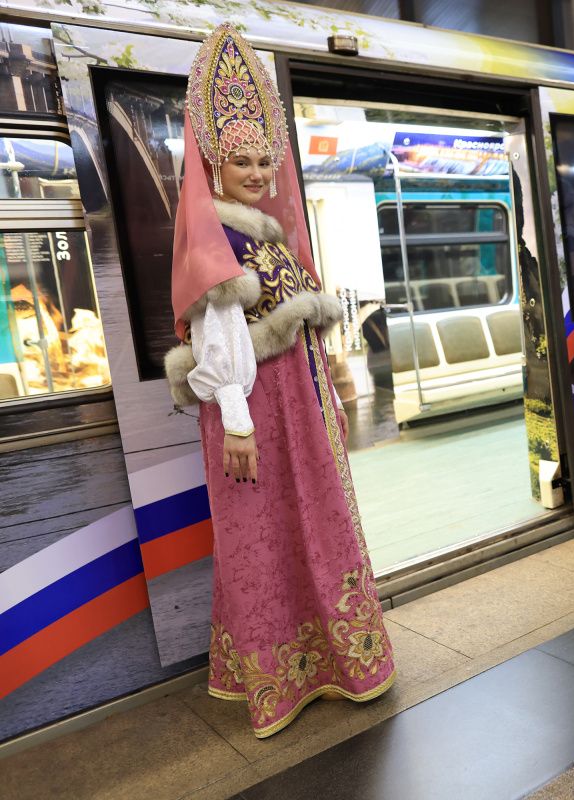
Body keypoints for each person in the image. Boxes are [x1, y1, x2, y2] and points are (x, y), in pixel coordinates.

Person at [163, 24, 394, 739]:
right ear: (215, 167)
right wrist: (237, 422)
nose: (260, 172)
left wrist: (330, 377)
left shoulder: (268, 235)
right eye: (244, 162)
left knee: (308, 529)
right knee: (261, 537)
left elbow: (295, 331)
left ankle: (327, 662)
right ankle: (279, 678)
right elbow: (217, 343)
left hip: (297, 406)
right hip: (257, 415)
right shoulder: (217, 242)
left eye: (267, 159)